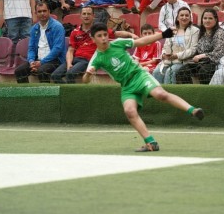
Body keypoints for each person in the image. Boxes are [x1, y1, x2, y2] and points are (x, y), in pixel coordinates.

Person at [83, 22, 205, 152]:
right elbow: (85, 80)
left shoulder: (118, 43)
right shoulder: (96, 58)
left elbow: (142, 41)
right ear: (93, 39)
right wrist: (88, 74)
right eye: (99, 36)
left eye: (105, 35)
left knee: (161, 94)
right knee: (129, 111)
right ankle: (151, 143)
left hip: (139, 75)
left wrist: (162, 35)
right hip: (127, 86)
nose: (103, 38)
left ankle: (193, 110)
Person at [51, 6, 139, 83]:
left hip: (87, 60)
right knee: (54, 76)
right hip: (75, 59)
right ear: (80, 16)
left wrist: (131, 34)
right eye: (84, 14)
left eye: (89, 14)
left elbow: (117, 33)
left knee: (70, 74)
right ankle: (67, 93)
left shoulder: (98, 30)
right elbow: (70, 51)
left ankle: (74, 96)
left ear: (93, 16)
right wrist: (69, 63)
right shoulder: (75, 32)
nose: (86, 16)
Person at [15, 2, 66, 83]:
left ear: (49, 11)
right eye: (39, 11)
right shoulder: (34, 28)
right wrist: (31, 61)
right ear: (35, 13)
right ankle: (25, 94)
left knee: (42, 71)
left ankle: (45, 95)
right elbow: (31, 48)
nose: (42, 14)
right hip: (37, 60)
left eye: (44, 11)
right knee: (19, 71)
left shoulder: (57, 27)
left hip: (55, 60)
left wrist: (42, 62)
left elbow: (57, 49)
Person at [176, 9, 224, 84]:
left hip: (215, 62)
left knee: (204, 71)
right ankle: (189, 93)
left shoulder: (220, 33)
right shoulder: (201, 32)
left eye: (210, 18)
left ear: (216, 20)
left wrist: (202, 56)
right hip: (201, 62)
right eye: (205, 18)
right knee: (182, 71)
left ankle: (206, 94)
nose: (207, 20)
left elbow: (220, 53)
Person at [152, 6, 199, 84]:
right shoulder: (171, 30)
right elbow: (165, 46)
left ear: (190, 18)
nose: (184, 17)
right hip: (168, 60)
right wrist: (164, 54)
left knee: (170, 72)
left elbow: (193, 49)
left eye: (187, 15)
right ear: (177, 17)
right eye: (182, 15)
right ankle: (157, 95)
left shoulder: (195, 31)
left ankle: (169, 95)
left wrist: (176, 55)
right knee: (157, 72)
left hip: (183, 61)